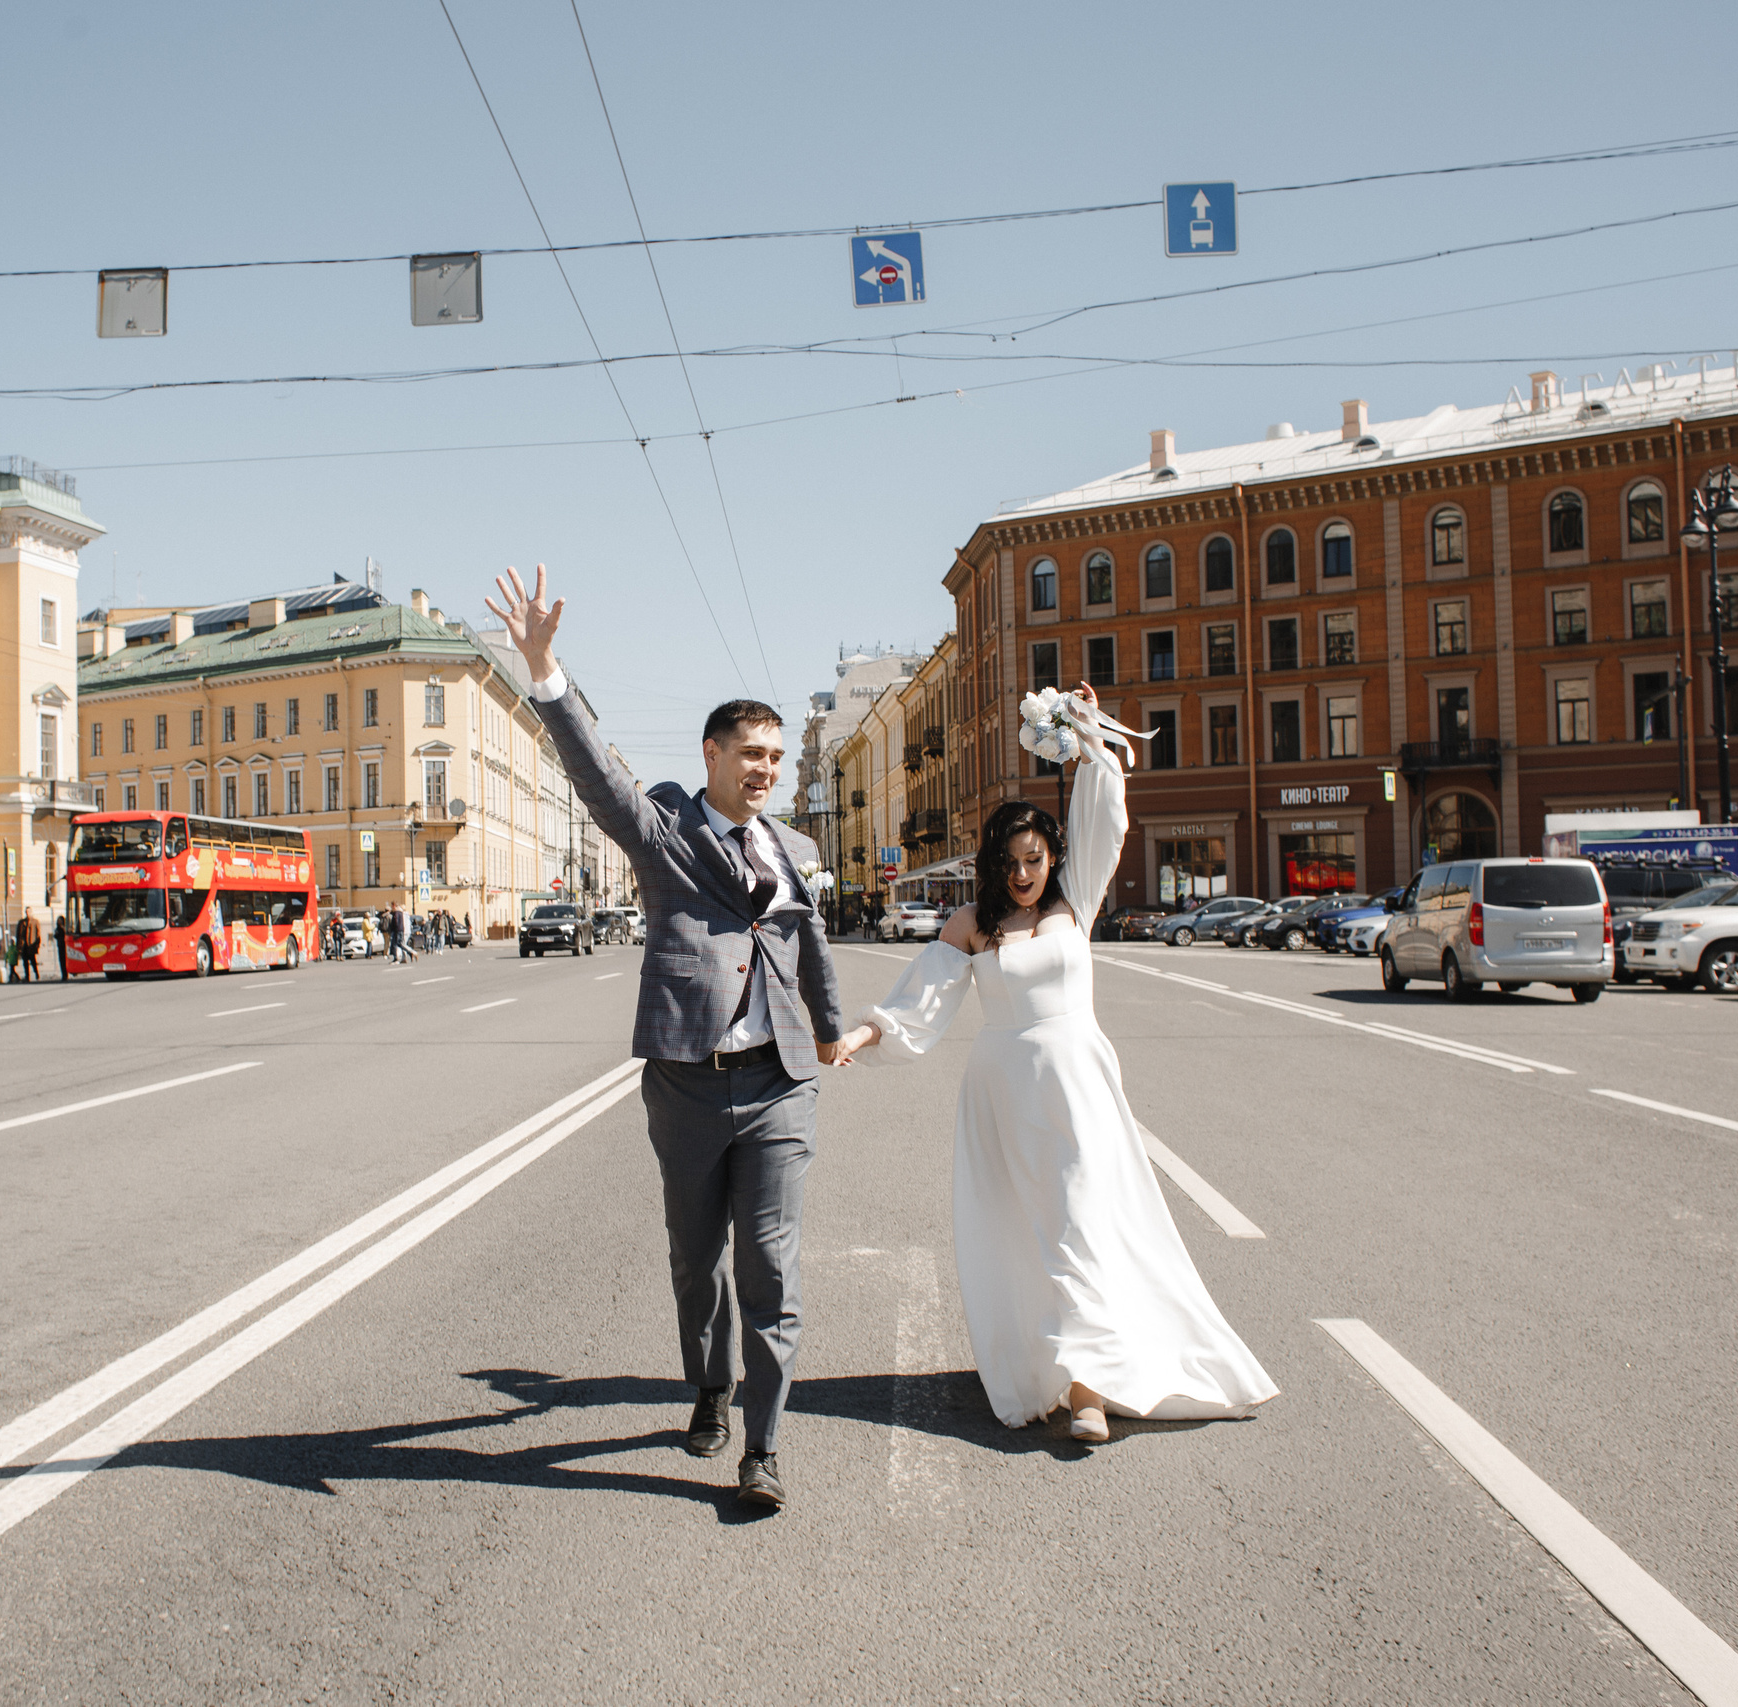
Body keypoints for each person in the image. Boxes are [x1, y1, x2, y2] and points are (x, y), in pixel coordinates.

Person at [488, 565, 842, 1513]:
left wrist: (834, 1033)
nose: (766, 768)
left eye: (777, 755)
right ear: (712, 752)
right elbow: (600, 779)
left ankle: (762, 1449)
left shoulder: (796, 851)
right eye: (751, 752)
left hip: (779, 1083)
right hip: (687, 1083)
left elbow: (809, 946)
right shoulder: (670, 834)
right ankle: (711, 1384)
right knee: (699, 1261)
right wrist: (546, 672)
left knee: (772, 1261)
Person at [838, 683, 1277, 1441]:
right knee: (1029, 1229)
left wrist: (1086, 734)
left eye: (1033, 859)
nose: (1021, 874)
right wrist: (861, 1037)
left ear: (1052, 859)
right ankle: (1059, 1368)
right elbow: (924, 1001)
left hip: (1078, 1085)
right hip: (1005, 1094)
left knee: (1081, 1220)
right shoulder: (973, 922)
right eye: (1009, 862)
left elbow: (1106, 810)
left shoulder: (1077, 898)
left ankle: (1088, 1389)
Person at [15, 908, 43, 983]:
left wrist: (37, 944)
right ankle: (27, 976)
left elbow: (38, 934)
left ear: (31, 912)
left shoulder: (35, 922)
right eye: (26, 912)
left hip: (31, 945)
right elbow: (18, 934)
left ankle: (37, 974)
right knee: (25, 962)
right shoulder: (21, 922)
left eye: (29, 912)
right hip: (24, 946)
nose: (27, 913)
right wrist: (18, 945)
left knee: (33, 961)